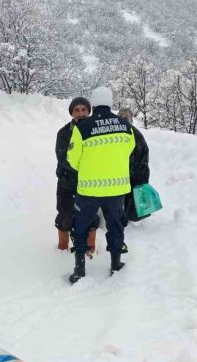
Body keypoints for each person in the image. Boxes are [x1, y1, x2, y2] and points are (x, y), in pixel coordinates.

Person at [66, 87, 135, 283]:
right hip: (116, 189)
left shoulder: (82, 128)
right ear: (111, 102)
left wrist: (89, 168)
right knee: (115, 226)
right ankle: (115, 264)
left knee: (80, 227)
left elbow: (73, 159)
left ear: (93, 105)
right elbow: (128, 150)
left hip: (89, 189)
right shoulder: (124, 125)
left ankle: (79, 270)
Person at [55, 97, 98, 253]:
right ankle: (62, 248)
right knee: (65, 214)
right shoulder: (64, 133)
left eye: (84, 110)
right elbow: (62, 158)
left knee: (90, 216)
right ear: (72, 113)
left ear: (89, 111)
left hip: (90, 183)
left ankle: (91, 248)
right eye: (77, 110)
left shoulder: (96, 130)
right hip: (67, 181)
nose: (81, 113)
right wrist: (84, 166)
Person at [117, 109, 150, 225]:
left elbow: (143, 158)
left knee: (131, 201)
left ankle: (126, 218)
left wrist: (142, 178)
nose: (123, 119)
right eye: (121, 117)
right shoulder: (113, 135)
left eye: (126, 117)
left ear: (131, 119)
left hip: (133, 175)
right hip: (117, 175)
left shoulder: (137, 136)